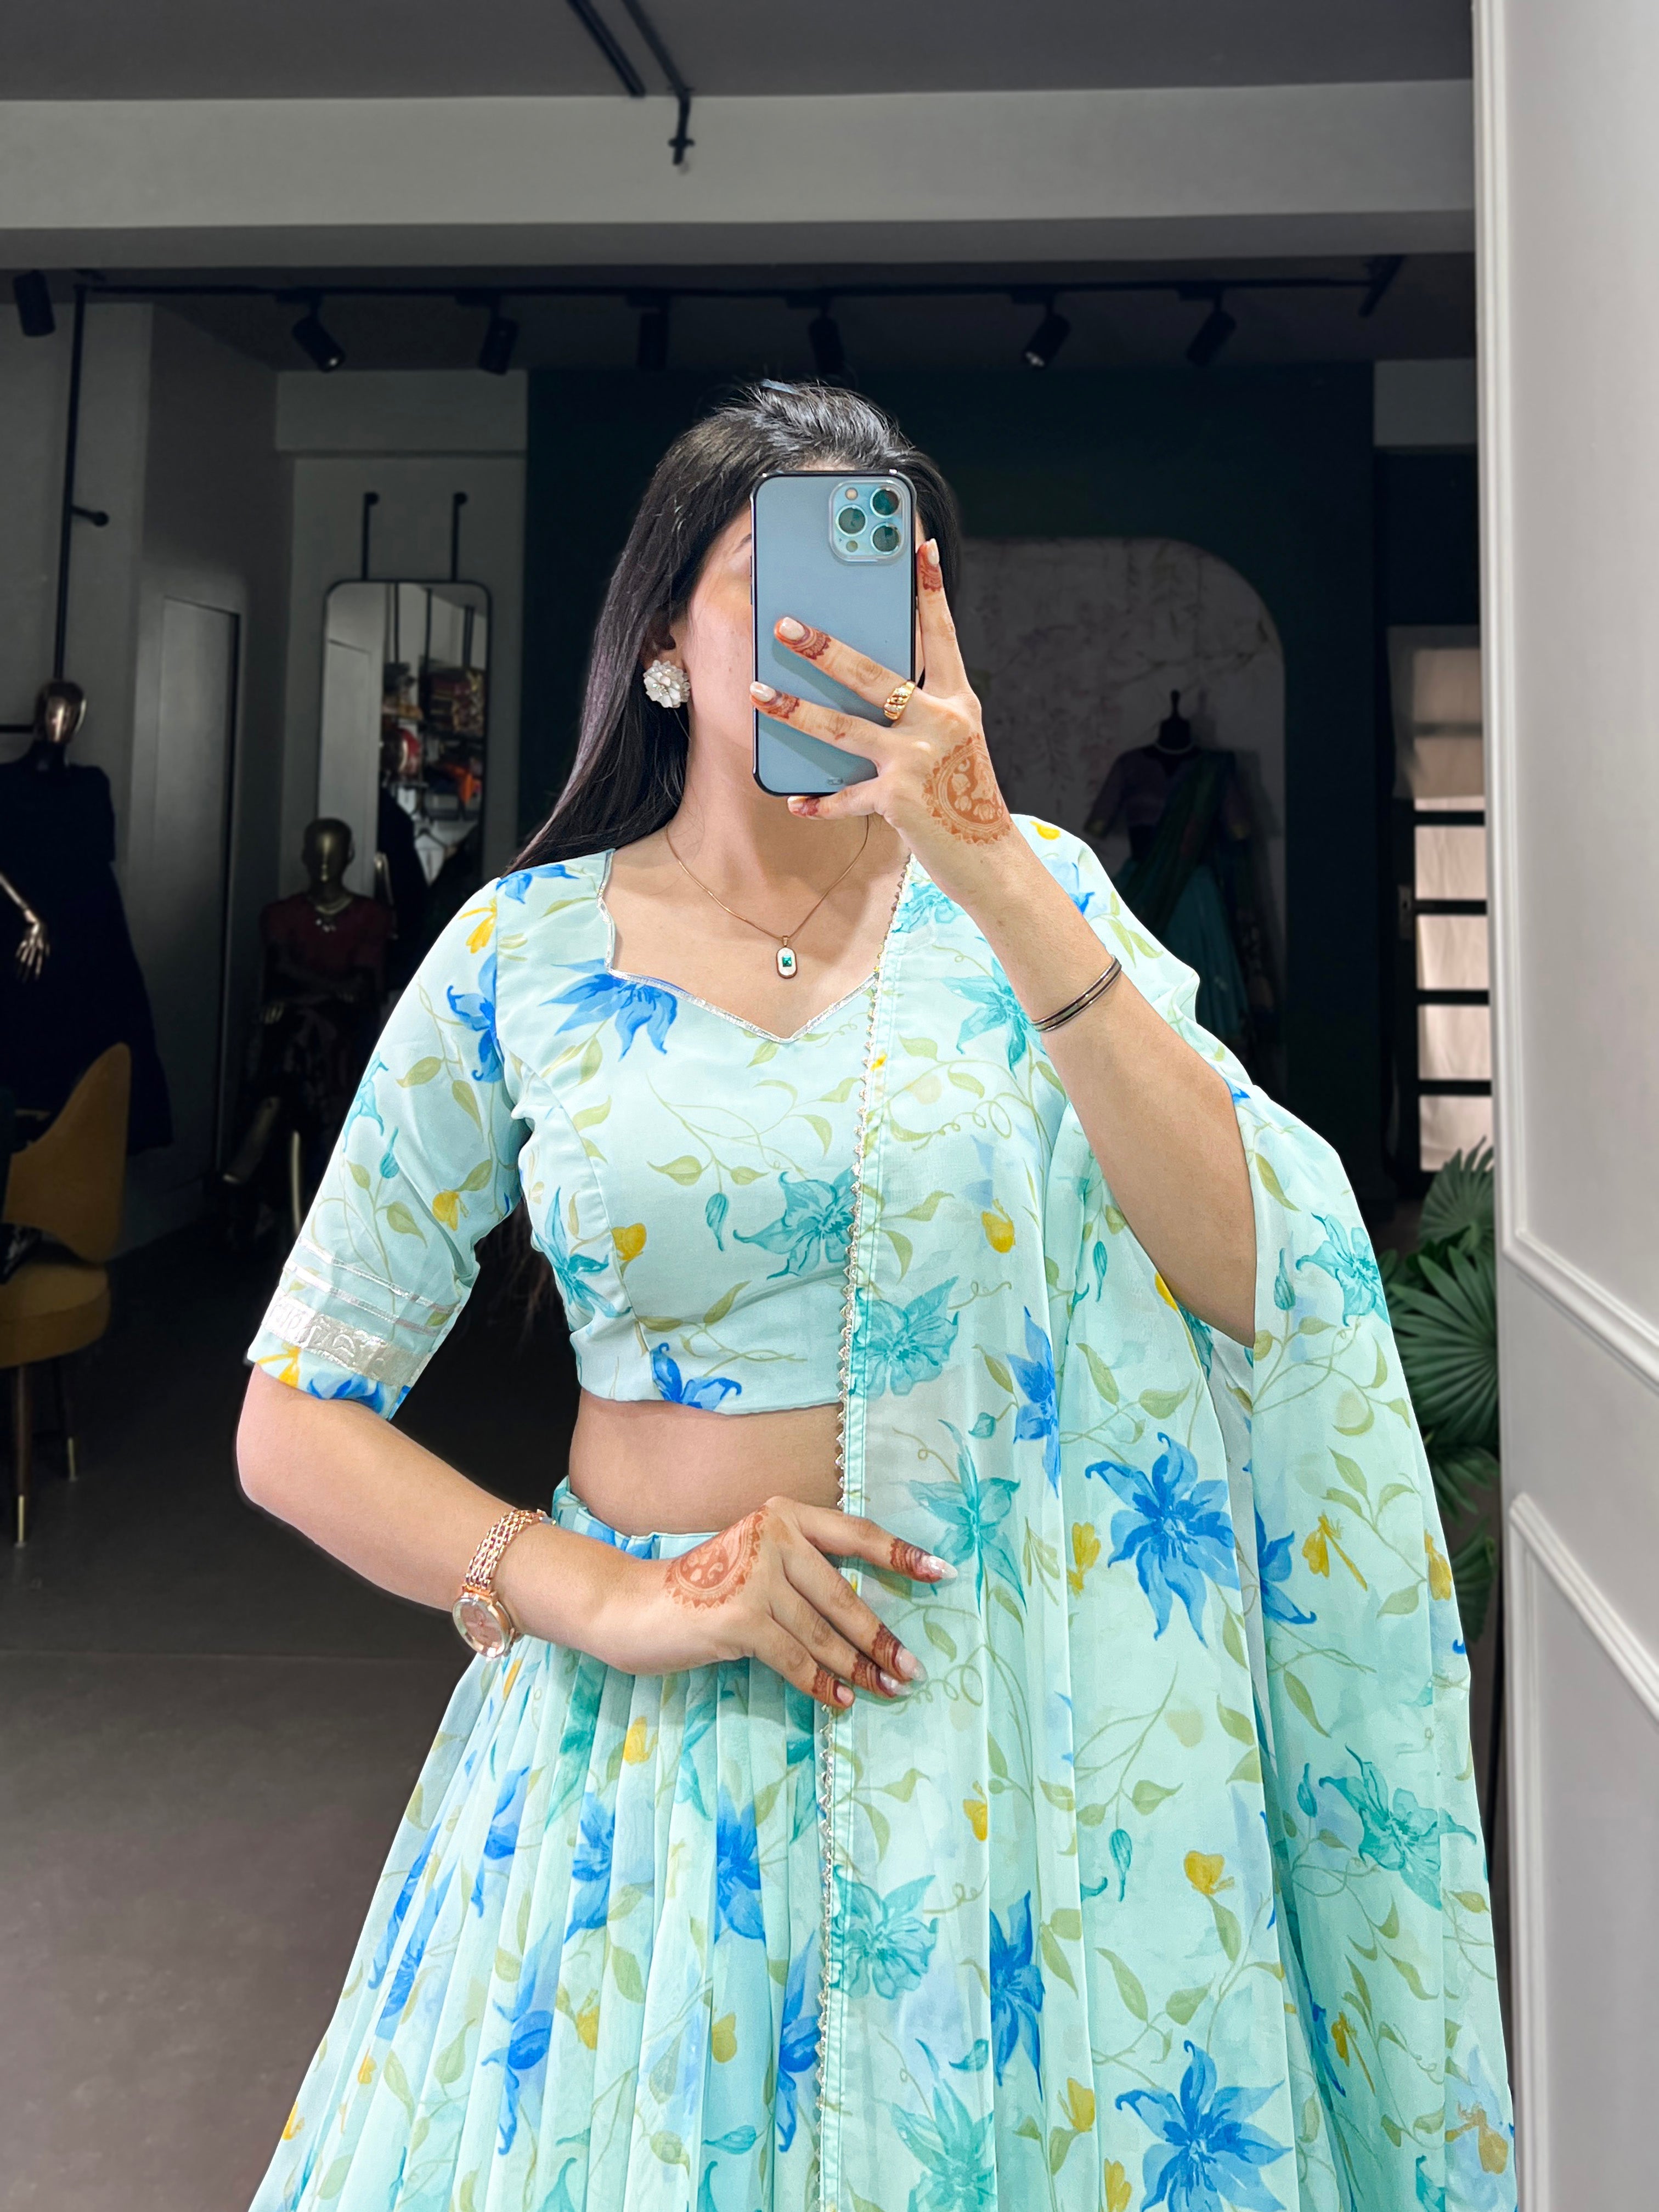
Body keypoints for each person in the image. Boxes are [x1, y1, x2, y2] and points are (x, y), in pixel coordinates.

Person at [237, 384, 1513, 2212]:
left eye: (885, 590)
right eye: (773, 583)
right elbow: (292, 1416)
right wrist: (603, 1595)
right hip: (652, 1766)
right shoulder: (525, 956)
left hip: (1014, 1741)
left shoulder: (1033, 899)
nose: (827, 636)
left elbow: (1263, 1273)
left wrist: (986, 860)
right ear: (663, 641)